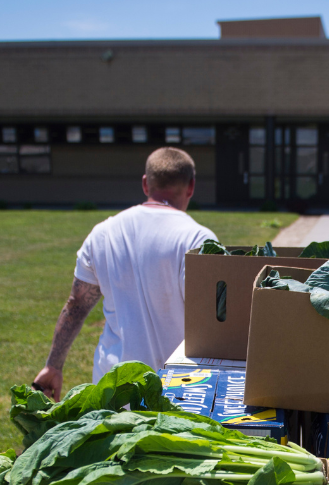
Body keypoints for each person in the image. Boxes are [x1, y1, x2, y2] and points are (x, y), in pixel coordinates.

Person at [32, 147, 216, 400]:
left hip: (113, 389)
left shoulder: (102, 233)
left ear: (145, 183)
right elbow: (214, 321)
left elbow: (76, 304)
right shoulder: (198, 239)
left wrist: (53, 365)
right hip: (177, 393)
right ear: (191, 186)